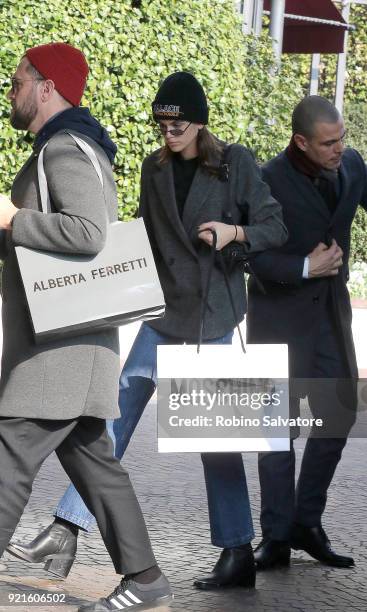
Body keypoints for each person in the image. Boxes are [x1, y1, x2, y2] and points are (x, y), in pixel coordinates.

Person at [8, 71, 288, 590]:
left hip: (213, 318)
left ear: (198, 120)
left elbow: (275, 226)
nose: (169, 131)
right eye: (162, 122)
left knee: (216, 440)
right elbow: (141, 236)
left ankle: (236, 552)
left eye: (178, 121)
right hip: (163, 315)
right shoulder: (153, 169)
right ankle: (69, 527)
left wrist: (235, 233)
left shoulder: (235, 164)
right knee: (110, 414)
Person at [0, 43, 172, 612]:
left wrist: (13, 219)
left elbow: (87, 232)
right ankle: (145, 580)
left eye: (19, 80)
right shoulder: (73, 144)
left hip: (58, 354)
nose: (12, 89)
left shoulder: (66, 148)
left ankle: (146, 582)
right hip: (73, 347)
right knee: (96, 465)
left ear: (47, 86)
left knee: (7, 459)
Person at [246, 95, 367, 570]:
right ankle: (274, 537)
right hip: (278, 324)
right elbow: (249, 256)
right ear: (301, 141)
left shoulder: (353, 165)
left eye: (342, 139)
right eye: (328, 143)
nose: (340, 149)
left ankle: (305, 522)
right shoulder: (266, 179)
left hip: (332, 322)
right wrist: (303, 267)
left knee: (337, 420)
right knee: (277, 434)